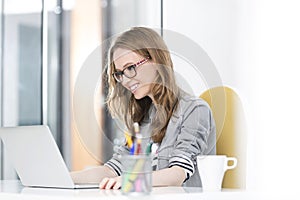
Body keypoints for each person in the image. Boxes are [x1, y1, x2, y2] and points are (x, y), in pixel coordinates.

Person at [71, 27, 216, 189]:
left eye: (130, 68)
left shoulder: (194, 110)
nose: (125, 80)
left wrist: (129, 180)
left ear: (155, 60)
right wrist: (67, 177)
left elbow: (178, 174)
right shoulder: (144, 118)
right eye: (119, 73)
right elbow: (113, 169)